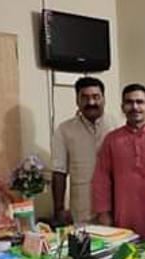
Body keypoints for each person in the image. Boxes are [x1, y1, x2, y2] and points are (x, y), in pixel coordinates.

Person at [91, 83, 145, 240]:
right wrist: (103, 212)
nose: (135, 107)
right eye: (129, 102)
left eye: (140, 102)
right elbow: (102, 178)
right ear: (122, 107)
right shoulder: (112, 139)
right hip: (124, 213)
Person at [50, 77, 119, 225]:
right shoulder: (64, 130)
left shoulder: (116, 126)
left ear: (104, 99)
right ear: (77, 100)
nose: (91, 102)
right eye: (85, 97)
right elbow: (59, 172)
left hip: (114, 208)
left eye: (96, 97)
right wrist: (59, 210)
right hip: (82, 210)